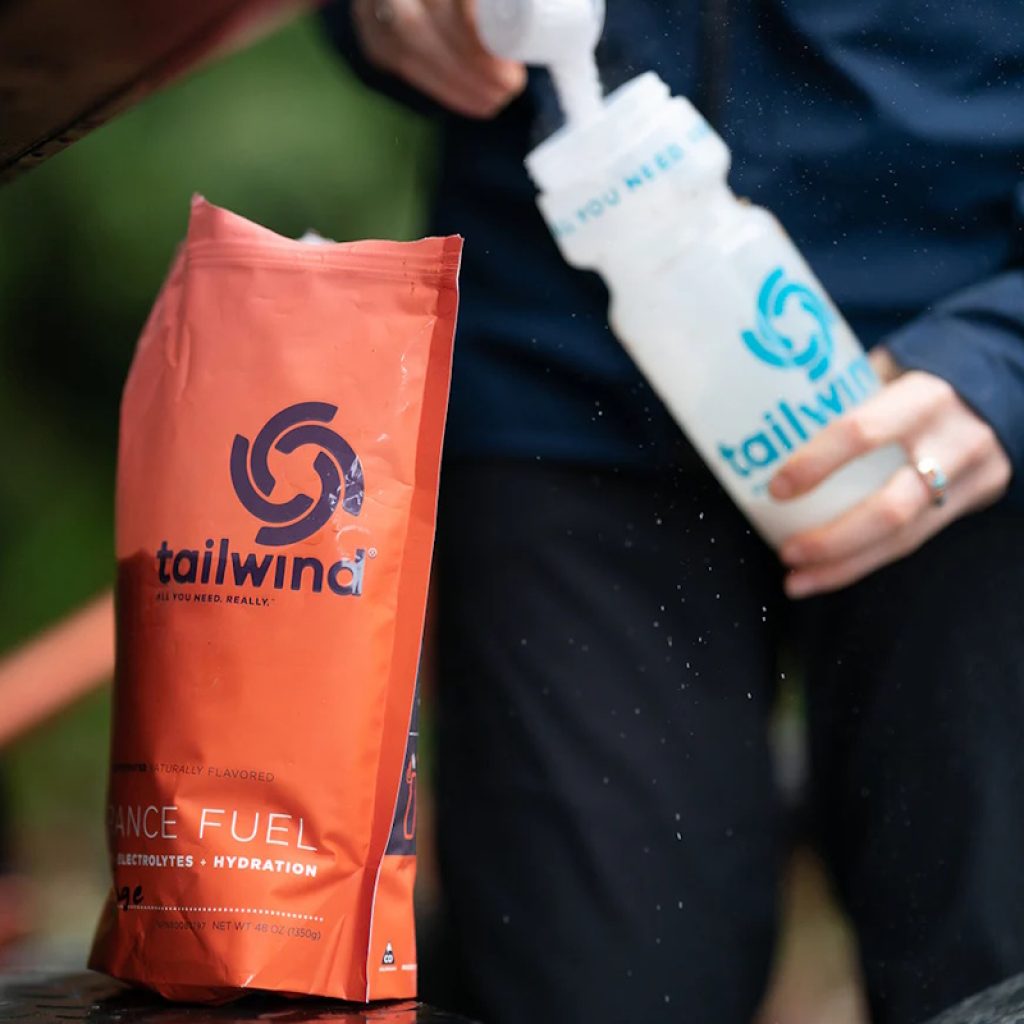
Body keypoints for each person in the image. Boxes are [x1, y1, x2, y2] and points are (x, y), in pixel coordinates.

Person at [321, 2, 1024, 1022]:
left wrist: (1006, 355)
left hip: (968, 366)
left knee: (990, 963)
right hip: (559, 371)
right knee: (589, 985)